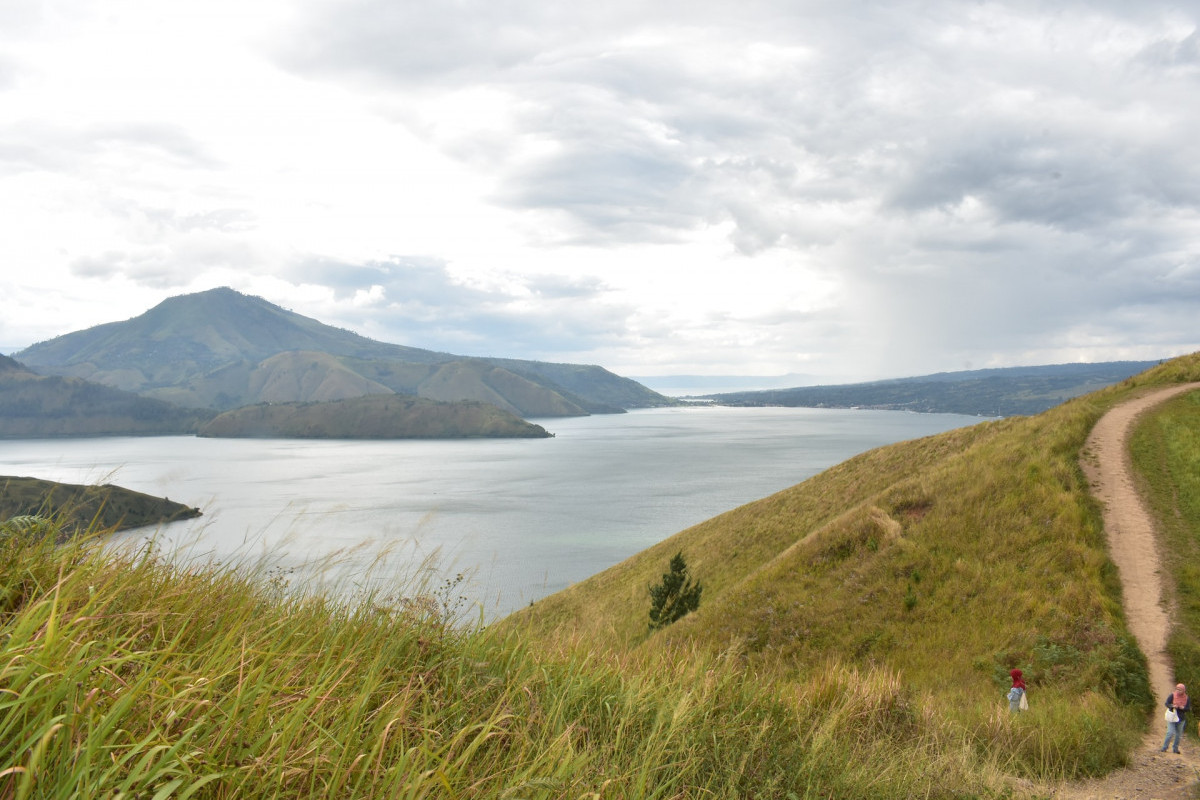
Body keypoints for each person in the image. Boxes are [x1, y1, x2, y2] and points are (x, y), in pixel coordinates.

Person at [1162, 683, 1191, 753]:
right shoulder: (1172, 695)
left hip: (1181, 718)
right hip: (1172, 717)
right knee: (1170, 732)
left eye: (1180, 690)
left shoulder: (1186, 698)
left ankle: (1175, 749)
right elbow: (1166, 703)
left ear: (1183, 690)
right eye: (1177, 689)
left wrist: (1183, 708)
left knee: (1178, 734)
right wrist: (1172, 706)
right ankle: (1164, 747)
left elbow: (1188, 708)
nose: (1178, 691)